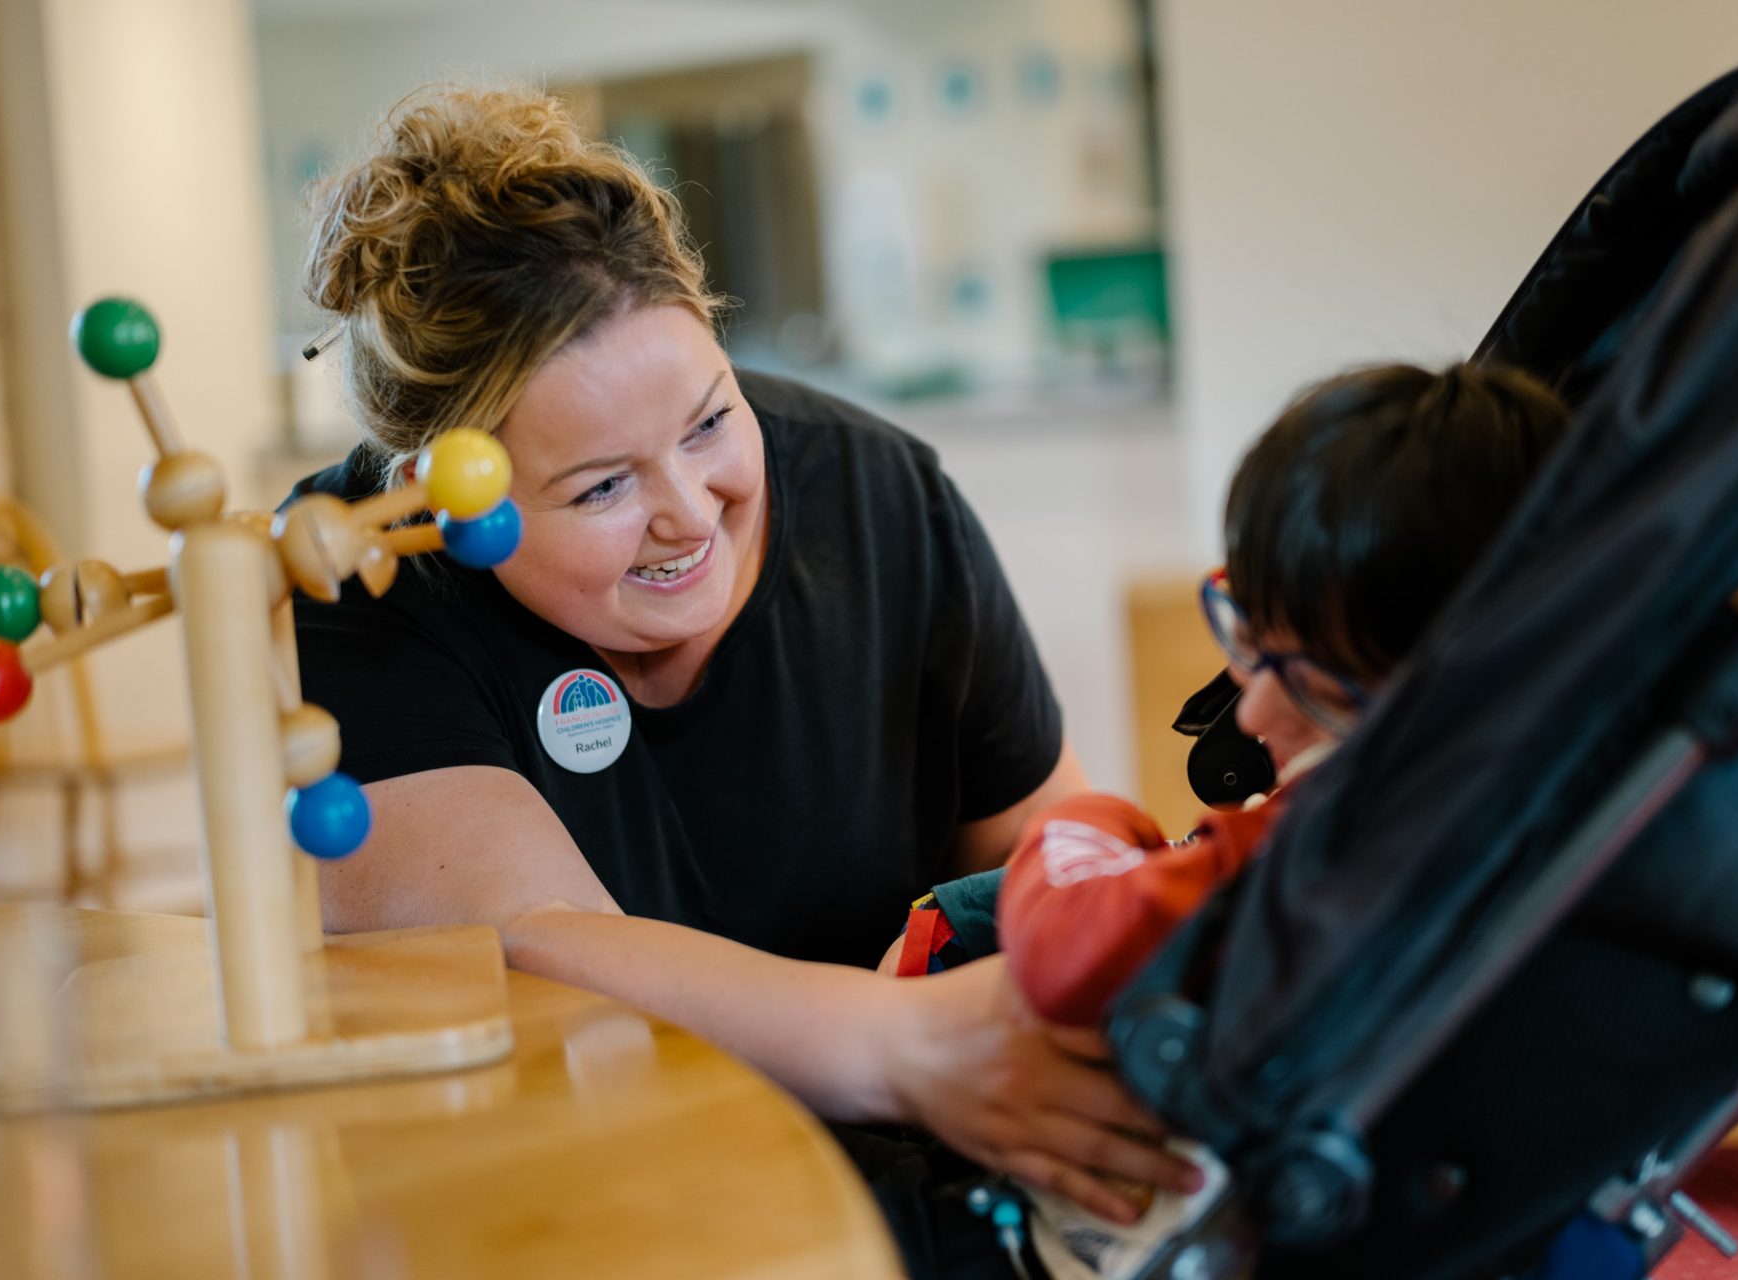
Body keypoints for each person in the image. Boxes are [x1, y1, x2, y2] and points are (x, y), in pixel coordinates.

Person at [285, 84, 1199, 1275]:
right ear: (440, 499)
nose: (687, 513)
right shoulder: (366, 563)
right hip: (581, 1202)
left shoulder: (882, 496)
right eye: (602, 486)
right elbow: (532, 945)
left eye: (712, 419)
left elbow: (1037, 844)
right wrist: (908, 1044)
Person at [881, 362, 1568, 1276]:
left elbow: (1064, 951)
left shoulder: (1317, 846)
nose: (1249, 715)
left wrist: (1087, 821)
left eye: (1315, 688)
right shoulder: (1541, 806)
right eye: (1249, 639)